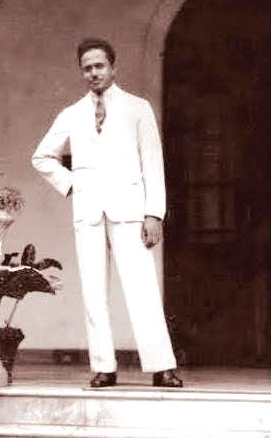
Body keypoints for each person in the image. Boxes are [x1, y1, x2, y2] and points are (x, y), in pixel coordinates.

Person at [31, 38, 182, 388]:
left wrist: (154, 214)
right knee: (93, 293)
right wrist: (73, 184)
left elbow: (152, 163)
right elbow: (41, 157)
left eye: (99, 66)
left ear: (113, 68)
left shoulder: (137, 108)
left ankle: (162, 366)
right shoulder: (71, 114)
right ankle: (103, 366)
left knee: (142, 289)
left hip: (130, 211)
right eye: (87, 68)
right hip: (88, 213)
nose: (93, 73)